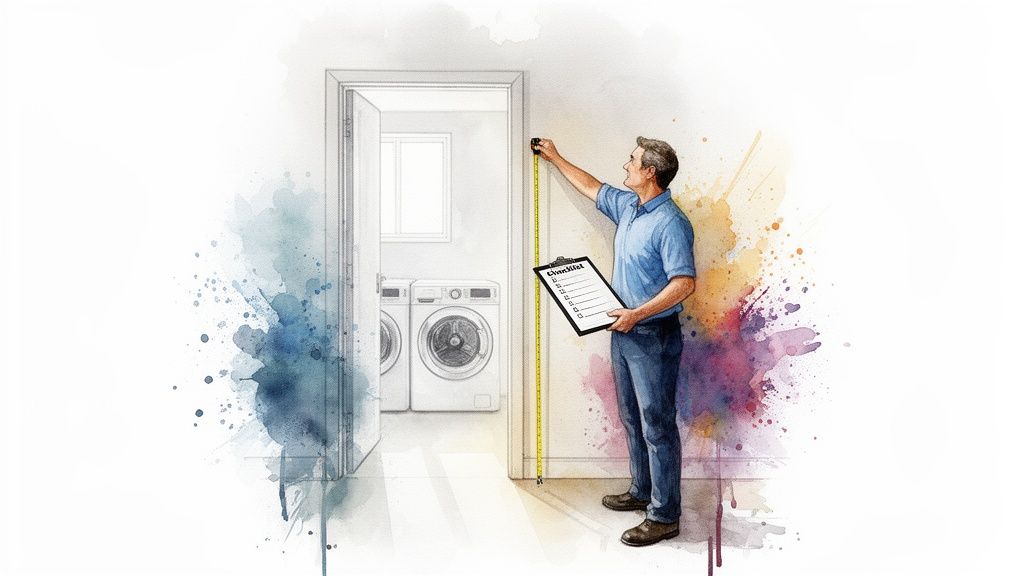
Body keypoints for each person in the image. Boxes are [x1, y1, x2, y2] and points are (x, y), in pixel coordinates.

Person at [533, 136, 696, 546]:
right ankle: (642, 491)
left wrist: (637, 314)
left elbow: (684, 284)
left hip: (653, 335)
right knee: (631, 418)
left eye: (633, 160)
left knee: (657, 426)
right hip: (623, 334)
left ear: (650, 173)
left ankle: (663, 515)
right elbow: (591, 186)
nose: (627, 164)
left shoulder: (672, 223)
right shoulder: (628, 206)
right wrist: (556, 156)